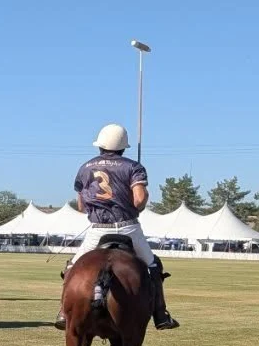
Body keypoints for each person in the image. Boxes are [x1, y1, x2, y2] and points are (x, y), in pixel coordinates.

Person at [55, 123, 179, 331]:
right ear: (123, 147)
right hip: (128, 227)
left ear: (100, 145)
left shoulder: (85, 168)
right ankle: (160, 314)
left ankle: (62, 311)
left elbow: (81, 205)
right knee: (153, 266)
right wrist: (139, 203)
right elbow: (139, 199)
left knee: (72, 267)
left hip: (97, 229)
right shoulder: (133, 167)